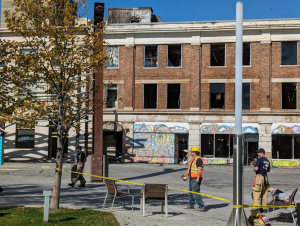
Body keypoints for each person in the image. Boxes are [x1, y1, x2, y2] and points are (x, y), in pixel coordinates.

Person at [183, 146, 205, 211]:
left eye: (192, 151)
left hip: (196, 178)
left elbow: (199, 169)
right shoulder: (193, 160)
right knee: (190, 192)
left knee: (196, 192)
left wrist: (198, 178)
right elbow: (190, 169)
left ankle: (201, 206)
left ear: (195, 152)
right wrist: (185, 174)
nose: (191, 153)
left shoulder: (198, 160)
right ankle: (191, 204)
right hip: (191, 178)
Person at [252, 148, 270, 212]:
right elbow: (268, 170)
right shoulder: (267, 160)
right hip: (265, 178)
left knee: (256, 192)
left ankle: (256, 208)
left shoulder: (259, 160)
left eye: (258, 152)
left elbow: (256, 169)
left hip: (259, 177)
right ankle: (264, 208)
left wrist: (254, 169)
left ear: (262, 153)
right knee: (264, 193)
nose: (257, 153)